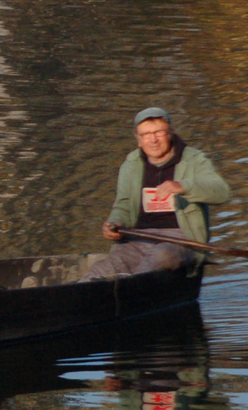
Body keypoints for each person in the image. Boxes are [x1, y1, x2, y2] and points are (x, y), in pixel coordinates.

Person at [82, 107, 230, 281]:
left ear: (170, 134)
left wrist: (183, 186)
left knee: (161, 256)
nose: (153, 140)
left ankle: (131, 289)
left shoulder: (194, 159)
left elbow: (222, 192)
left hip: (182, 239)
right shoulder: (130, 166)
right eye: (145, 135)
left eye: (158, 132)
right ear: (138, 140)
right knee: (104, 269)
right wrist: (115, 224)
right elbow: (123, 205)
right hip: (139, 238)